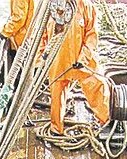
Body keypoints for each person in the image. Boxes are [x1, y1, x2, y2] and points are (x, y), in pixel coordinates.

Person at [43, 0, 110, 135]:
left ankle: (107, 121)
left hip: (81, 60)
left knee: (98, 84)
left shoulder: (86, 7)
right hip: (58, 61)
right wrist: (41, 59)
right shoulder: (48, 8)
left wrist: (83, 58)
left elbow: (92, 36)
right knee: (56, 93)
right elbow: (42, 36)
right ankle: (56, 129)